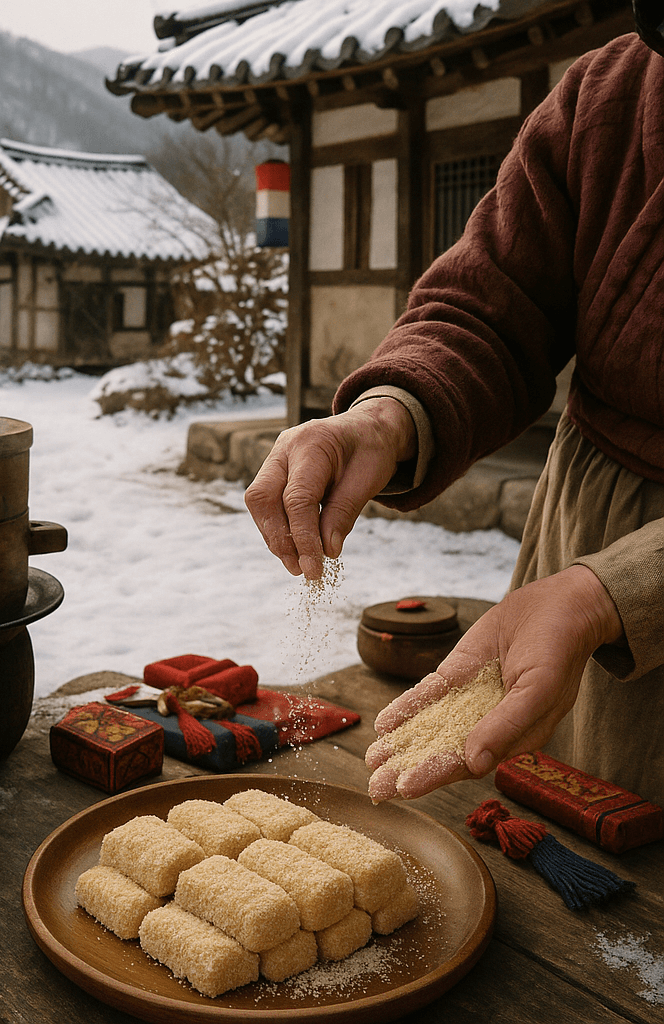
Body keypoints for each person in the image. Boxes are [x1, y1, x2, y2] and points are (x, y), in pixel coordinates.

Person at [245, 7, 664, 807]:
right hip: (574, 547)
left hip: (611, 584)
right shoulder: (613, 88)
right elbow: (489, 304)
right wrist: (386, 414)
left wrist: (612, 592)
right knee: (562, 811)